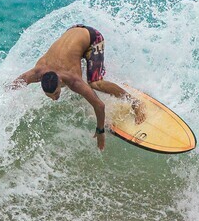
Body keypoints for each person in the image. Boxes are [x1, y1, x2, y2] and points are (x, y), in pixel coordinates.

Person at [9, 24, 143, 151]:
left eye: (56, 94)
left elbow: (99, 105)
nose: (55, 99)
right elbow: (14, 85)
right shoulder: (36, 72)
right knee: (81, 81)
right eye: (50, 96)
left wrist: (100, 130)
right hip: (73, 31)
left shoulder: (73, 80)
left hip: (92, 37)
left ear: (60, 80)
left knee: (95, 83)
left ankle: (135, 102)